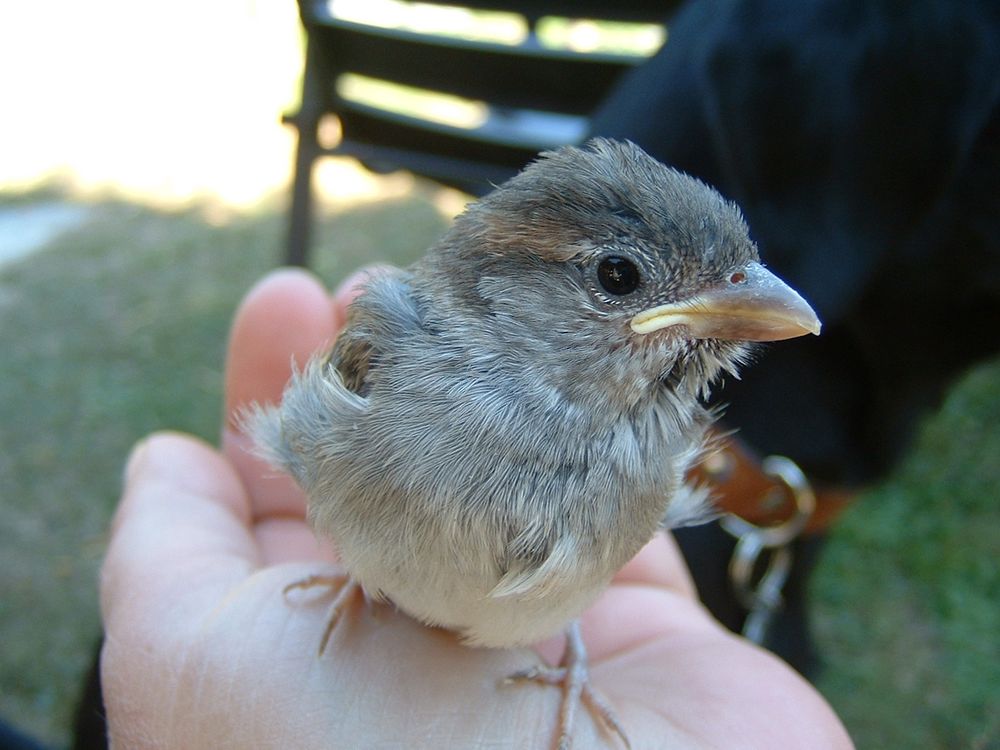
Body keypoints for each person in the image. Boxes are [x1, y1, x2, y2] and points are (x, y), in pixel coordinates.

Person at [97, 268, 853, 748]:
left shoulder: (658, 443)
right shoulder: (390, 351)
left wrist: (574, 658)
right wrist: (361, 566)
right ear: (507, 280)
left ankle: (573, 658)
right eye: (620, 279)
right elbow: (302, 430)